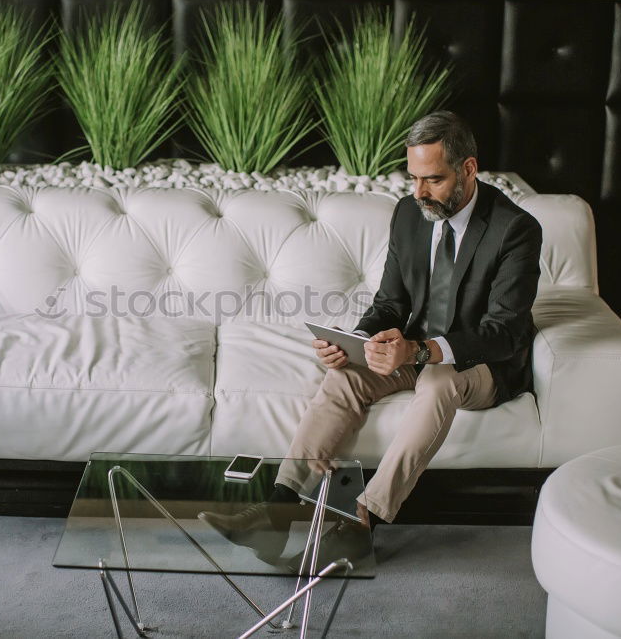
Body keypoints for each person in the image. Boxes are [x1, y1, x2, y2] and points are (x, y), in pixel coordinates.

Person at [200, 110, 543, 568]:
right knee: (343, 376)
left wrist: (422, 351)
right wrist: (355, 340)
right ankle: (277, 513)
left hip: (483, 365)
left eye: (434, 180)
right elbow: (389, 303)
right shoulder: (408, 213)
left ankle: (363, 518)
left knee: (438, 381)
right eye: (413, 177)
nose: (419, 192)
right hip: (413, 348)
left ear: (468, 169)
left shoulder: (515, 229)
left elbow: (503, 332)